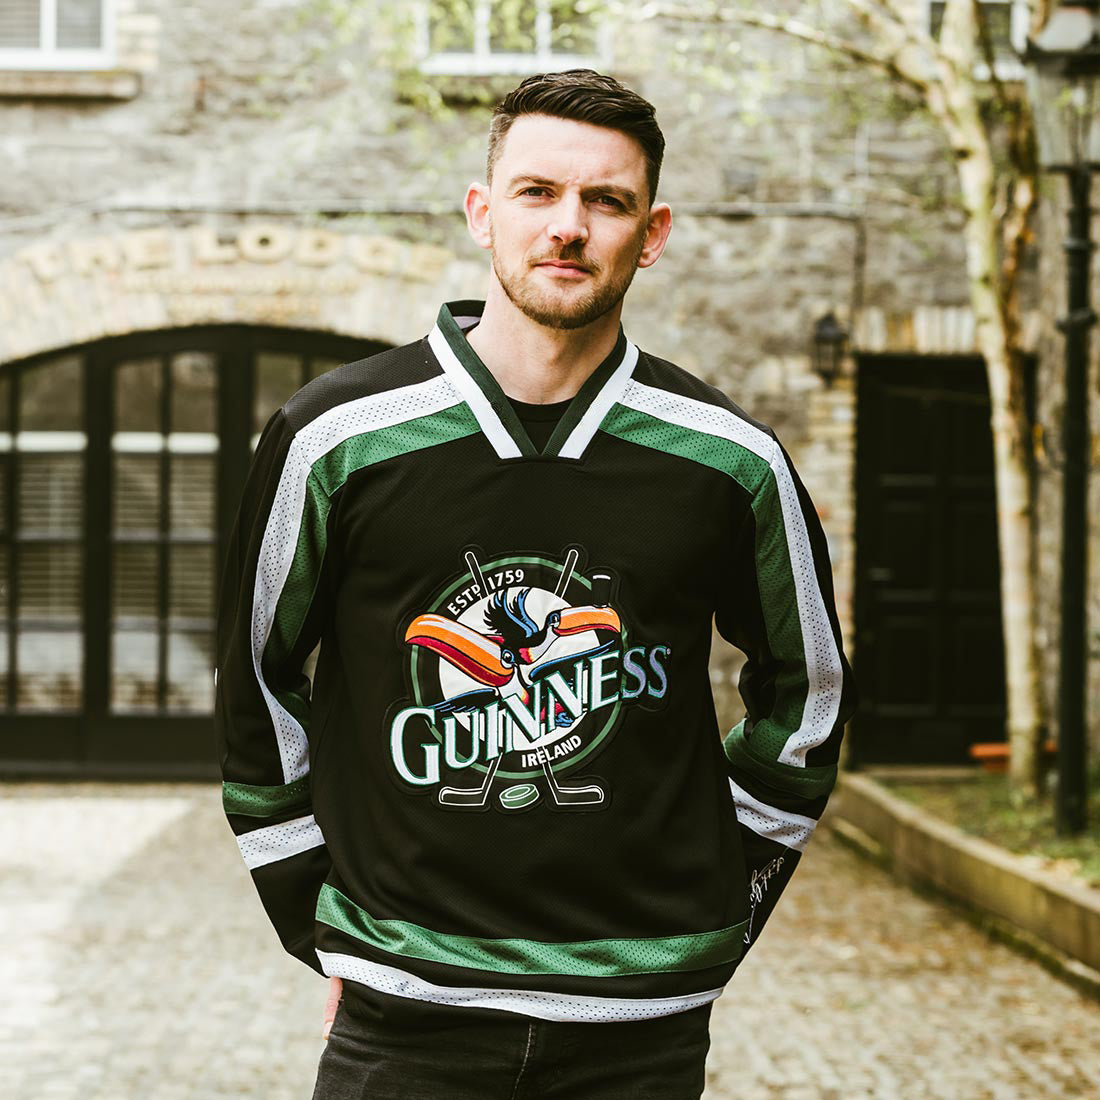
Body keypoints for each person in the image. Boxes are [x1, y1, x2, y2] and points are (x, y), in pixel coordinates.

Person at [214, 68, 858, 1100]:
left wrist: (720, 886)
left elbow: (809, 690)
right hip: (406, 1015)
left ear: (649, 234)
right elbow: (257, 676)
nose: (568, 226)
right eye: (536, 193)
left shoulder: (727, 459)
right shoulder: (334, 439)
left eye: (605, 201)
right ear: (482, 213)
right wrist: (315, 908)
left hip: (638, 1025)